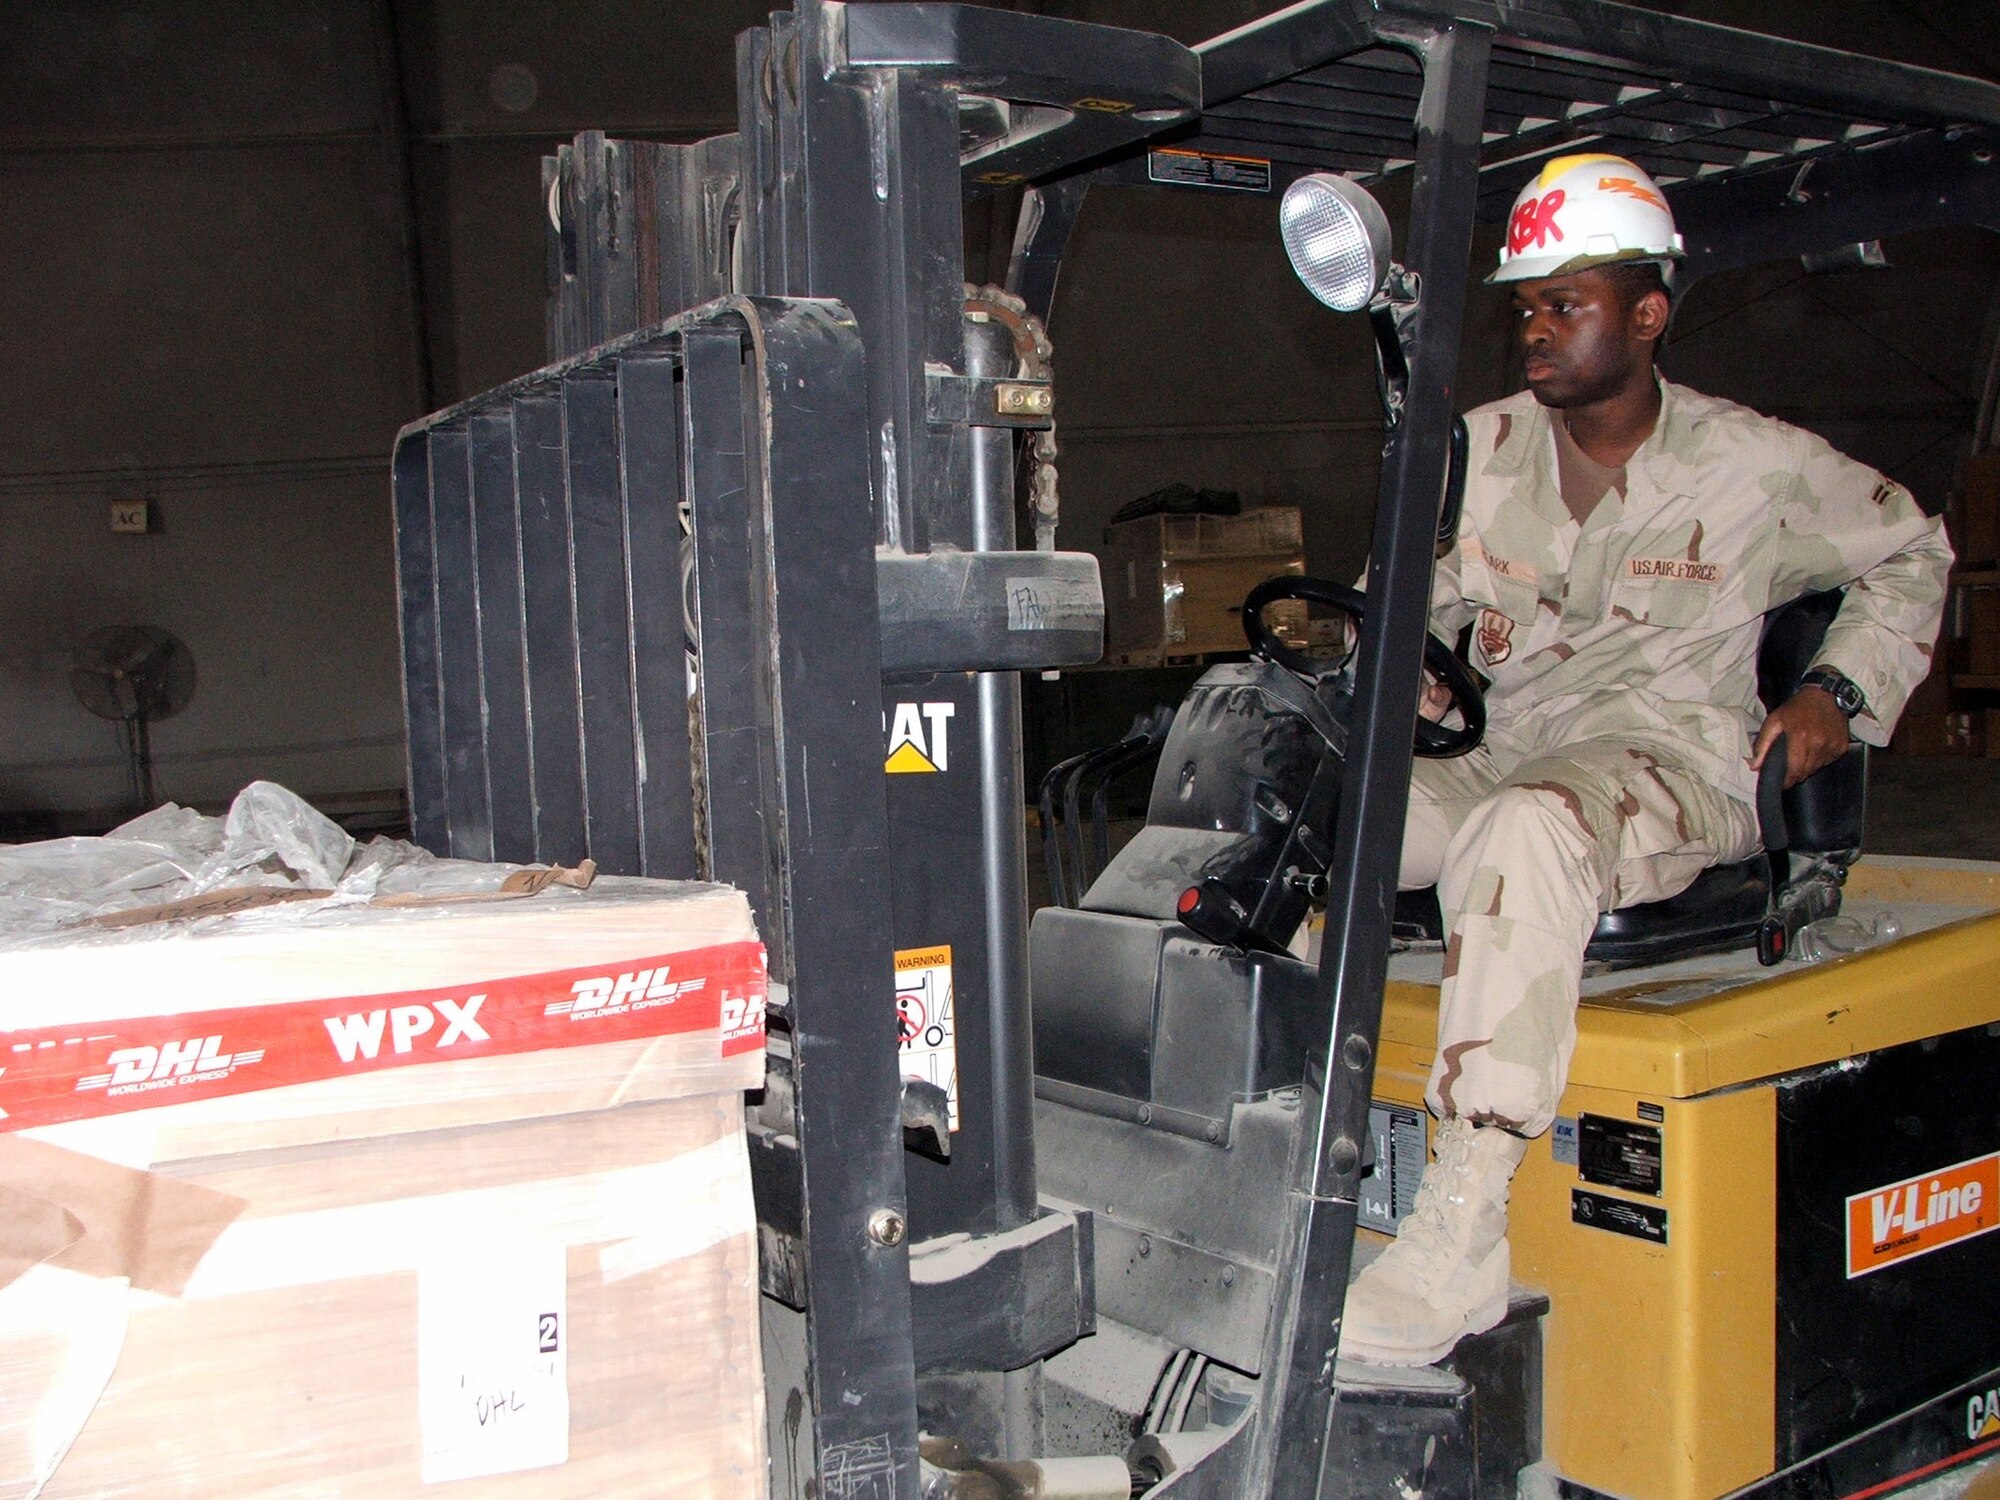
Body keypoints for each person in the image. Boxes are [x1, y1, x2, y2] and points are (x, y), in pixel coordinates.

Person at [1338, 154, 1954, 1366]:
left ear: (1645, 314)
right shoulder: (1475, 452)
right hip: (1503, 745)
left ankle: (1460, 1230)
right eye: (1523, 306)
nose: (1533, 332)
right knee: (1321, 821)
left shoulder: (1752, 466)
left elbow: (1912, 553)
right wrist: (1400, 659)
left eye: (1563, 305)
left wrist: (1837, 691)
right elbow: (1394, 604)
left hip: (1668, 768)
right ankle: (1280, 1141)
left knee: (1524, 828)